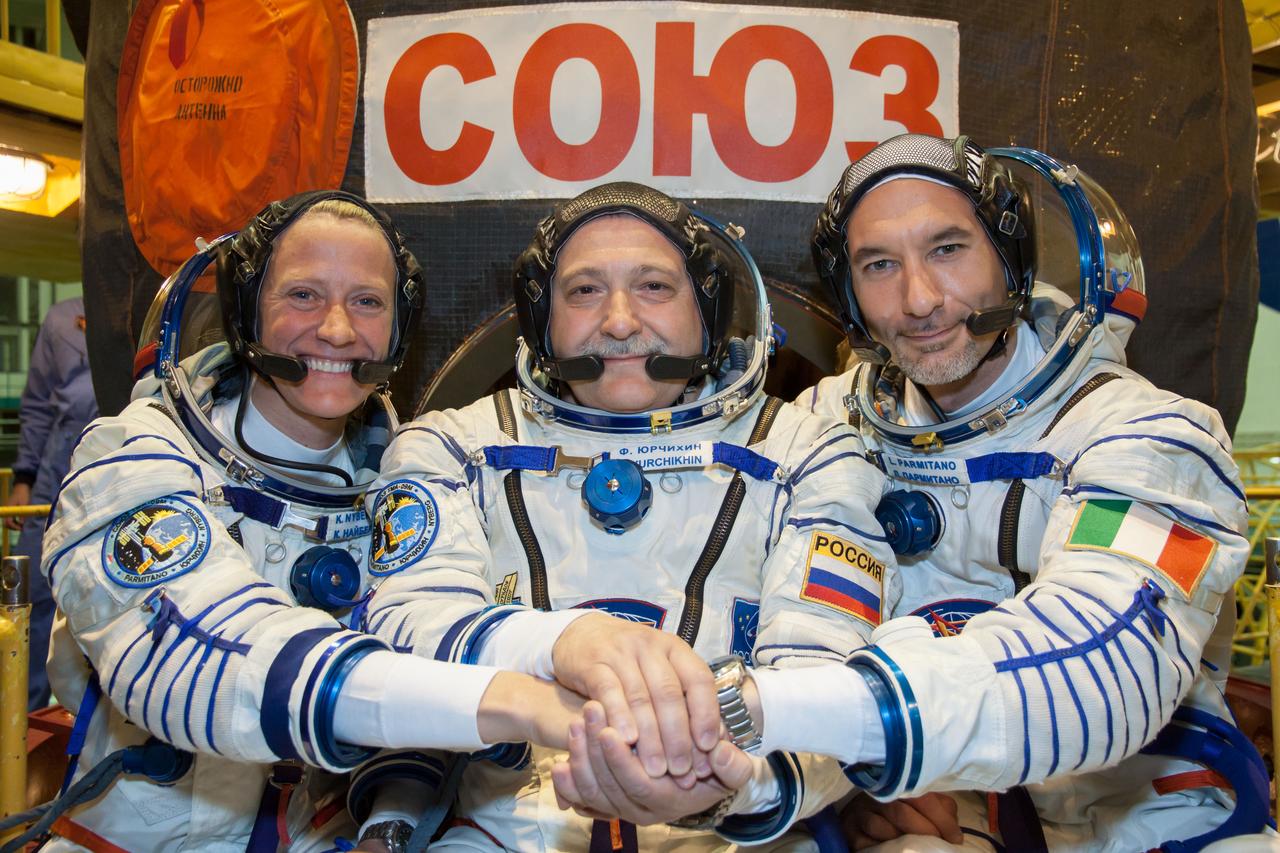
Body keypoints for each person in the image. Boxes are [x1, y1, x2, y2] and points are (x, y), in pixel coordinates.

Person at [568, 134, 1262, 851]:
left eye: (948, 249)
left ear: (1011, 259)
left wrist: (793, 715)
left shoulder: (1153, 439)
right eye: (879, 265)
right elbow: (785, 633)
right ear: (850, 296)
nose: (920, 300)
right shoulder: (824, 428)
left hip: (1144, 809)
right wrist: (795, 783)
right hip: (930, 806)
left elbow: (1103, 667)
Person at [28, 191, 582, 853]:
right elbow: (200, 649)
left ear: (399, 328)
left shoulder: (412, 489)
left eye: (368, 301)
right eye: (303, 295)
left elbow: (425, 679)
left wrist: (390, 821)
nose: (338, 330)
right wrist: (513, 698)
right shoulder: (135, 457)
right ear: (245, 312)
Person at [362, 182, 895, 850]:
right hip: (511, 823)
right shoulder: (451, 447)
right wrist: (564, 644)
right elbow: (407, 623)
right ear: (539, 317)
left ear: (708, 308)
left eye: (653, 287)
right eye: (584, 290)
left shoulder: (807, 453)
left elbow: (825, 678)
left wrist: (732, 783)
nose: (618, 320)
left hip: (732, 825)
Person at [4, 295, 97, 709]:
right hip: (55, 475)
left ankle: (100, 725)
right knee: (32, 599)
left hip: (123, 466)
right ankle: (22, 721)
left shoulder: (157, 305)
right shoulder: (62, 317)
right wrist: (24, 477)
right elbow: (39, 404)